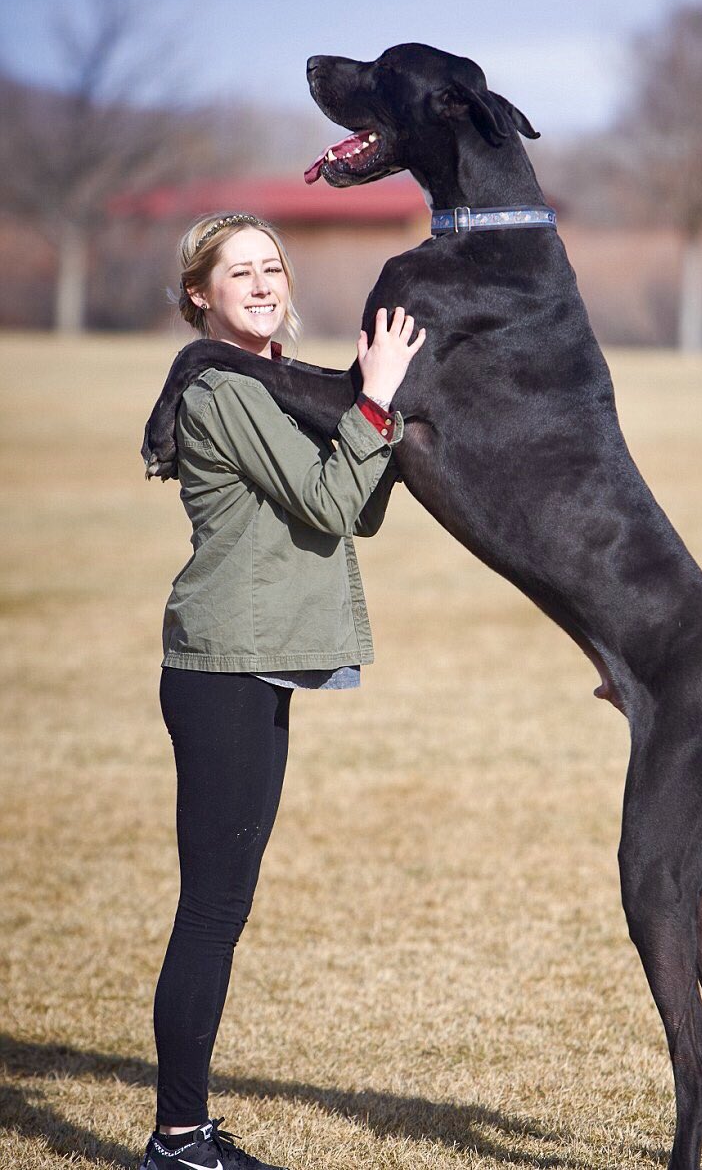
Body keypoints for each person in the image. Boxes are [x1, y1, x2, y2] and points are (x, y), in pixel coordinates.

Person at [139, 211, 425, 1170]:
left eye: (272, 268)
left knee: (222, 906)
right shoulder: (224, 388)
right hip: (222, 669)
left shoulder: (274, 386)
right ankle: (178, 1139)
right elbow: (335, 498)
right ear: (199, 295)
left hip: (252, 665)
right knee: (211, 910)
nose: (262, 283)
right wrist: (375, 399)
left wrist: (366, 412)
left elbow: (360, 505)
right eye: (239, 272)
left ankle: (184, 1131)